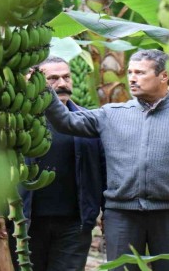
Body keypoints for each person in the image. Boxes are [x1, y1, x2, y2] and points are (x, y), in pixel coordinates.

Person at [44, 49, 169, 271]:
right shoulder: (110, 114)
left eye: (140, 72)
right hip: (121, 215)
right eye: (129, 72)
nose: (132, 78)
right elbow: (65, 121)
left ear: (164, 76)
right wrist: (44, 89)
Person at [18, 56, 106, 271]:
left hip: (75, 224)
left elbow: (104, 171)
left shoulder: (89, 121)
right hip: (27, 222)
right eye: (53, 78)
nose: (62, 84)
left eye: (66, 77)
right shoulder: (19, 122)